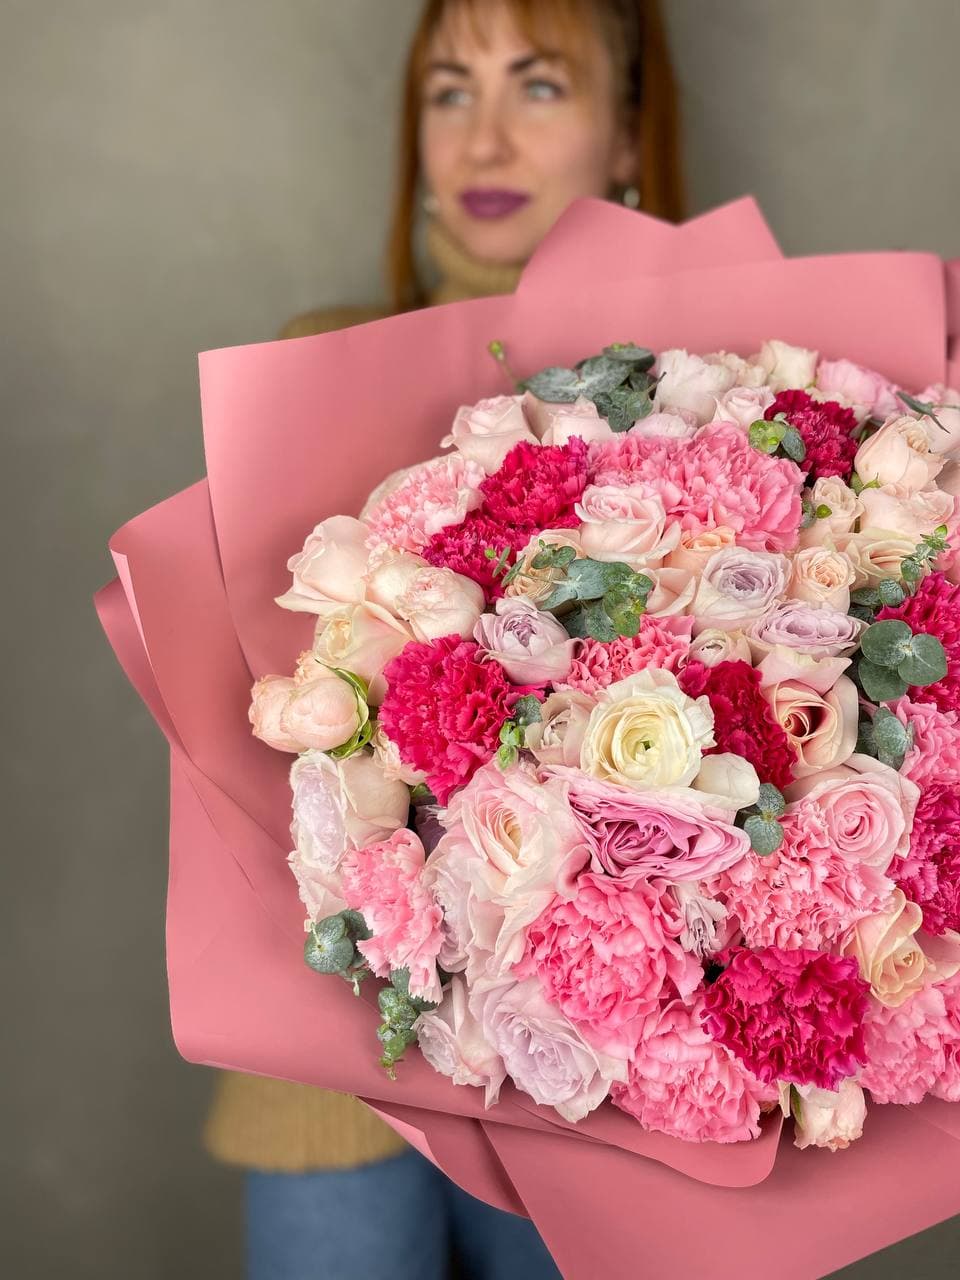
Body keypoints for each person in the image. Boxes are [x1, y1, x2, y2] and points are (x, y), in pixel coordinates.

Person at [203, 1, 685, 1276]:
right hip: (338, 1045)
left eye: (538, 86)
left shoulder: (700, 414)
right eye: (449, 90)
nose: (484, 138)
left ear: (627, 132)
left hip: (591, 1070)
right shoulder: (310, 366)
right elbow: (229, 734)